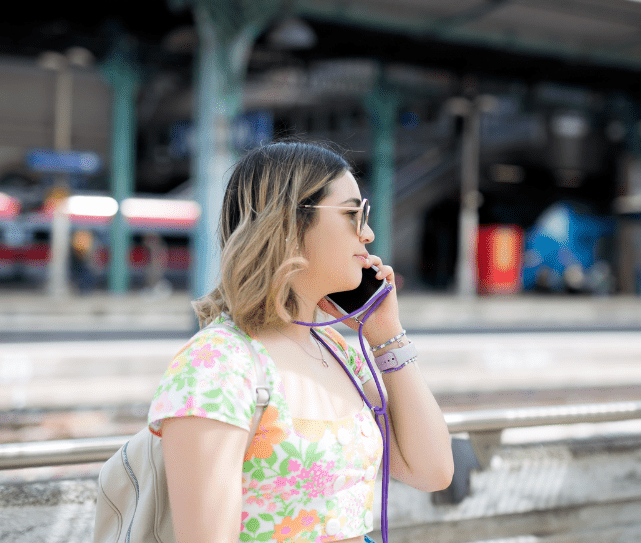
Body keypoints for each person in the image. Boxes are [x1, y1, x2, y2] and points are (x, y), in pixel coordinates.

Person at [148, 142, 454, 542]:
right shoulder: (217, 364)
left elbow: (431, 469)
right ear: (288, 225)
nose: (368, 233)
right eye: (351, 214)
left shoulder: (336, 350)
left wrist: (387, 336)